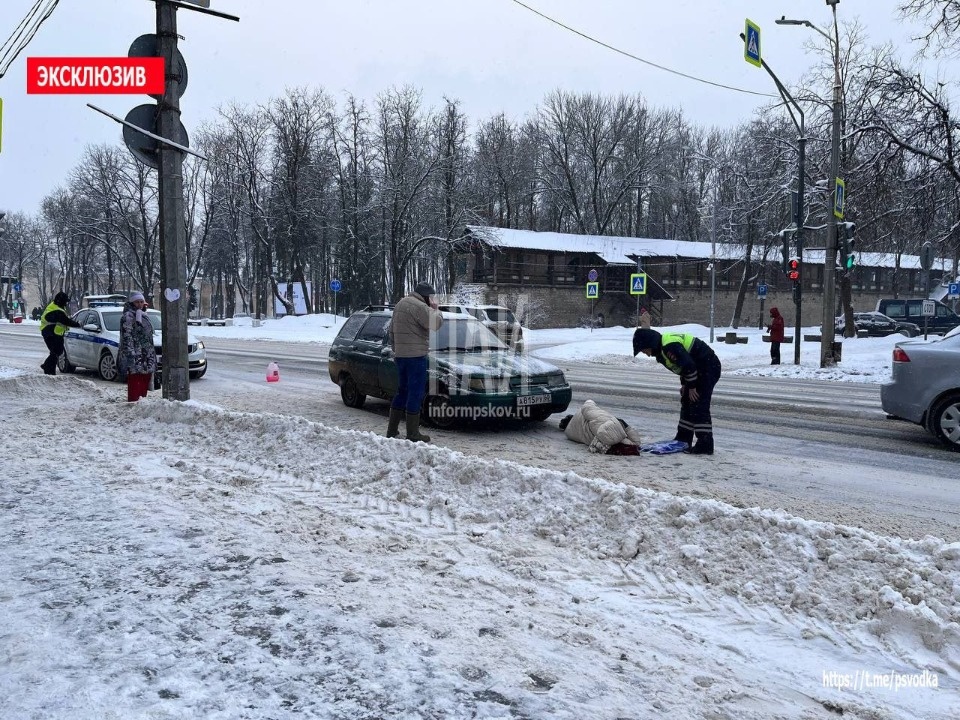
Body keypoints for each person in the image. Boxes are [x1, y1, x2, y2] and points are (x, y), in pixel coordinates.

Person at [632, 328, 722, 455]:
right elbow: (682, 366)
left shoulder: (669, 346)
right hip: (698, 369)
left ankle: (705, 445)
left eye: (643, 349)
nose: (645, 353)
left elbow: (689, 365)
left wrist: (691, 386)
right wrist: (685, 384)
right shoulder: (662, 350)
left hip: (708, 367)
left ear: (649, 343)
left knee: (698, 403)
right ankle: (683, 439)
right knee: (686, 400)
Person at [386, 281, 444, 442]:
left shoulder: (400, 304)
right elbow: (436, 324)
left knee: (402, 391)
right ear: (426, 296)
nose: (432, 300)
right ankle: (412, 433)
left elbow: (391, 330)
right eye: (431, 297)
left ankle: (392, 430)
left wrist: (397, 349)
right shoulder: (419, 306)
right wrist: (436, 309)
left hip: (401, 356)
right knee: (415, 392)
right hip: (416, 356)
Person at [558, 399, 643, 455]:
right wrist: (590, 401)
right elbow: (587, 407)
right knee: (614, 429)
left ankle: (618, 432)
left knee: (618, 433)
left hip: (606, 435)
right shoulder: (579, 416)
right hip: (605, 428)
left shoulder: (571, 434)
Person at [118, 291, 158, 402]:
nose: (140, 304)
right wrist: (131, 353)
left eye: (141, 301)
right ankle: (134, 401)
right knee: (136, 379)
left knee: (145, 378)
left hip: (146, 353)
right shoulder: (128, 316)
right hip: (136, 354)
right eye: (137, 302)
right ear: (132, 302)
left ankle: (142, 400)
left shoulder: (143, 315)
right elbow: (127, 336)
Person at [39, 291, 82, 375]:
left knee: (56, 352)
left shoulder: (55, 306)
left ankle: (48, 367)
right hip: (51, 333)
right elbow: (65, 321)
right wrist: (77, 324)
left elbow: (63, 320)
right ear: (61, 301)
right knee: (57, 351)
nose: (66, 303)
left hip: (51, 332)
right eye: (65, 301)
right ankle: (48, 368)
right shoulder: (57, 310)